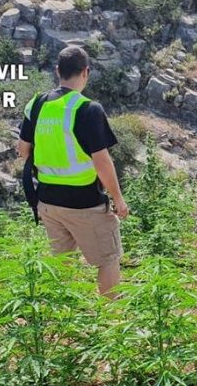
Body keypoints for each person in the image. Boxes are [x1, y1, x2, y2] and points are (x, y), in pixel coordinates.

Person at [17, 46, 129, 297]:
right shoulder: (88, 109)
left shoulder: (36, 104)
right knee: (108, 259)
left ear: (58, 71)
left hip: (47, 201)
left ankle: (61, 321)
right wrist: (119, 200)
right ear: (86, 73)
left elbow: (23, 149)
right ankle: (112, 323)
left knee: (60, 265)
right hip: (85, 204)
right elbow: (102, 162)